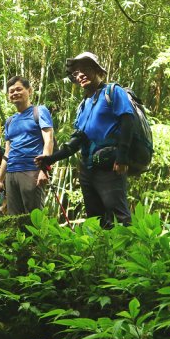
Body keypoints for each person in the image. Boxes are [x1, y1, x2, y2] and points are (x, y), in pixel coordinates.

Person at [35, 52, 133, 228]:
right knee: (95, 218)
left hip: (110, 165)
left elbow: (128, 120)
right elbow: (77, 141)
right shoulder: (83, 105)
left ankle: (127, 253)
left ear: (97, 70)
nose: (80, 75)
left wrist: (123, 156)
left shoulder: (112, 92)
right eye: (76, 73)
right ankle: (101, 253)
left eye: (84, 69)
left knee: (118, 214)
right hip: (88, 169)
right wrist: (51, 159)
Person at [0, 76, 54, 214]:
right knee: (14, 218)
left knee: (34, 217)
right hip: (11, 173)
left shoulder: (39, 111)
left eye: (18, 89)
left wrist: (44, 170)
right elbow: (7, 153)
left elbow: (48, 140)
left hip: (31, 170)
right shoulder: (10, 121)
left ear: (29, 90)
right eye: (11, 91)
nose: (14, 93)